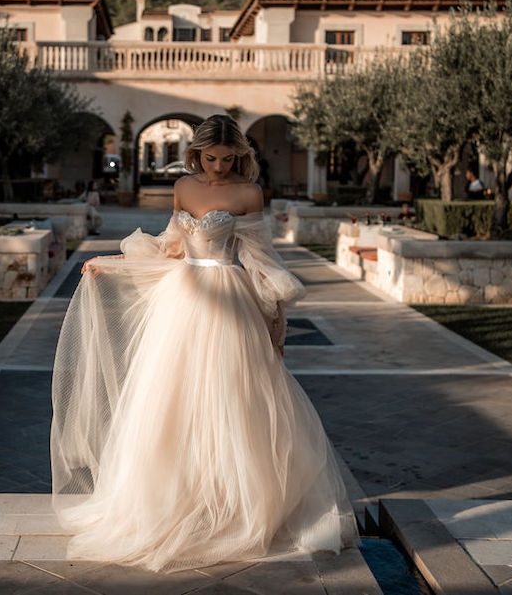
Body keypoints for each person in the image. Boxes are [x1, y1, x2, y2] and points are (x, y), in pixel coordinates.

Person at [50, 114, 359, 573]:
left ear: (240, 155)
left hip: (229, 301)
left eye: (227, 158)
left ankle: (235, 505)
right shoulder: (184, 188)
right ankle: (177, 500)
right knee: (171, 401)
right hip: (183, 300)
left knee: (233, 401)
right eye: (209, 158)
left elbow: (260, 257)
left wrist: (276, 309)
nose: (217, 166)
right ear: (197, 154)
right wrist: (113, 262)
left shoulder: (249, 193)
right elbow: (171, 245)